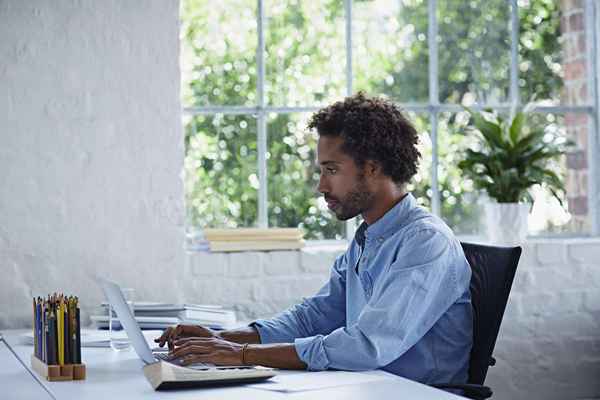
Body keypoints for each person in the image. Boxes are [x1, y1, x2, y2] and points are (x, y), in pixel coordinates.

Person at [155, 92, 473, 384]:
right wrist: (224, 338)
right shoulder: (368, 238)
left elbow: (365, 346)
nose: (321, 186)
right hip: (366, 388)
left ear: (372, 168)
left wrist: (241, 357)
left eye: (331, 170)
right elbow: (314, 319)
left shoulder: (426, 243)